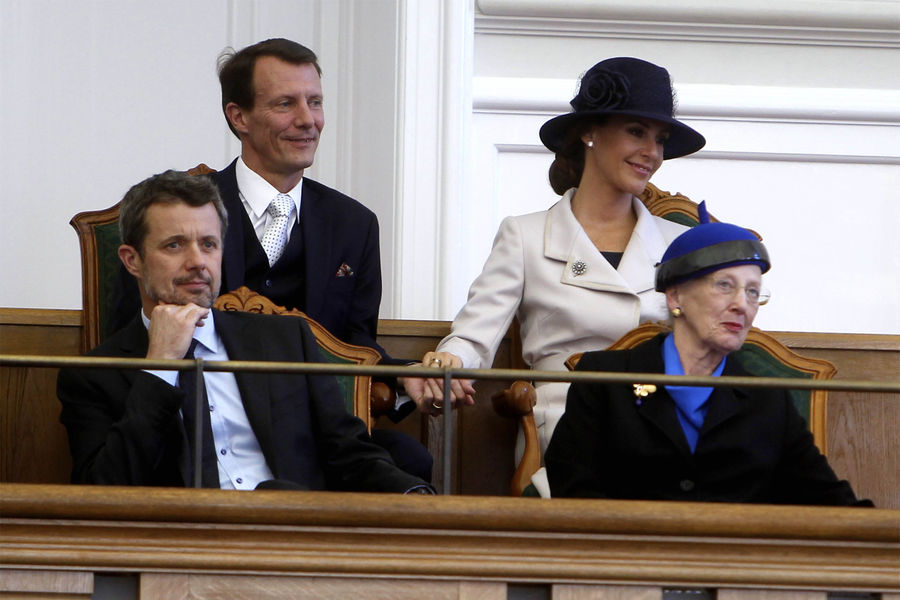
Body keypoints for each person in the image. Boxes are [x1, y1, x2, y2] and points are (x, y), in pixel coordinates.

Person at [110, 38, 430, 480]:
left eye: (315, 102)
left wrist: (404, 373)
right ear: (238, 116)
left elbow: (354, 344)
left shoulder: (354, 223)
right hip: (199, 423)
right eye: (285, 104)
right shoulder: (181, 215)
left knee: (413, 463)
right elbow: (128, 341)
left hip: (310, 426)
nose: (307, 120)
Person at [401, 57, 706, 458]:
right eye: (637, 132)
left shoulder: (684, 244)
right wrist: (444, 363)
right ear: (590, 132)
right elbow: (475, 335)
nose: (652, 152)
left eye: (661, 139)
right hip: (567, 433)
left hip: (666, 427)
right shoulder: (525, 236)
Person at [58, 170, 432, 494]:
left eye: (209, 244)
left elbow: (348, 451)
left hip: (292, 541)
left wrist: (413, 494)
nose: (197, 262)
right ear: (132, 260)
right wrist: (161, 365)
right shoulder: (93, 375)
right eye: (174, 245)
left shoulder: (286, 341)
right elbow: (103, 491)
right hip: (178, 555)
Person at [544, 206, 871, 505]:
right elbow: (573, 491)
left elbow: (829, 502)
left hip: (736, 565)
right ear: (675, 295)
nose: (742, 304)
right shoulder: (604, 381)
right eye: (725, 285)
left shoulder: (768, 402)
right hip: (627, 562)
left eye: (753, 292)